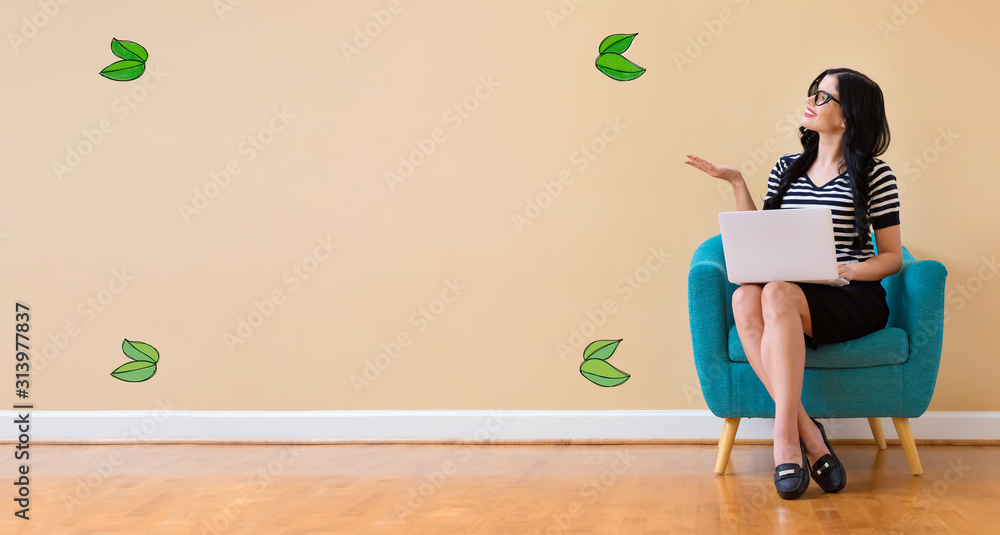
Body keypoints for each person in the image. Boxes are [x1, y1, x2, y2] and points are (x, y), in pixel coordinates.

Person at [684, 68, 901, 499]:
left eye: (824, 97)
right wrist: (736, 182)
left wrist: (851, 269)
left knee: (775, 292)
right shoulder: (786, 168)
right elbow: (762, 236)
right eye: (813, 93)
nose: (812, 101)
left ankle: (784, 439)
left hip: (850, 295)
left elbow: (893, 257)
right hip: (793, 291)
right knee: (747, 296)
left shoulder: (877, 176)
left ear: (848, 116)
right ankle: (808, 432)